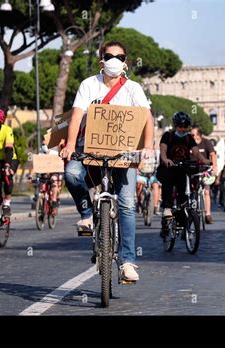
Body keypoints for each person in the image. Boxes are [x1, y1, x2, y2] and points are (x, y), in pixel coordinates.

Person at [61, 40, 155, 282]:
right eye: (110, 55)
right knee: (71, 174)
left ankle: (127, 262)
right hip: (87, 149)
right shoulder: (88, 85)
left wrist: (148, 146)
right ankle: (86, 213)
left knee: (127, 205)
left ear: (125, 62)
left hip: (123, 155)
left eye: (120, 56)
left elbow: (147, 118)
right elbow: (76, 115)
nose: (115, 59)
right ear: (101, 59)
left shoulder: (133, 88)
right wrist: (70, 145)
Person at [156, 112, 210, 227]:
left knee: (183, 192)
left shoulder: (189, 138)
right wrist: (165, 159)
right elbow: (163, 150)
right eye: (180, 126)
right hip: (169, 167)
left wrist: (204, 160)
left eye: (185, 127)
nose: (183, 129)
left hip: (182, 168)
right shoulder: (168, 135)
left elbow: (195, 151)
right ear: (175, 126)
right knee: (168, 182)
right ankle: (167, 207)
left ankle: (182, 218)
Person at [190, 126, 217, 224]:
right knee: (189, 191)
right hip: (191, 170)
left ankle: (208, 214)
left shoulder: (206, 142)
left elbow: (213, 155)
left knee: (206, 191)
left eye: (192, 134)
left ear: (199, 135)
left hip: (204, 171)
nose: (190, 135)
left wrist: (214, 168)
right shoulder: (188, 143)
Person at [40, 139, 63, 208]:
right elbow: (35, 165)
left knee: (54, 183)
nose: (44, 146)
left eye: (45, 144)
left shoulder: (54, 153)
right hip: (44, 175)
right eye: (43, 145)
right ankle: (41, 210)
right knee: (41, 190)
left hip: (54, 173)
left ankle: (54, 199)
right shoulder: (41, 153)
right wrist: (30, 175)